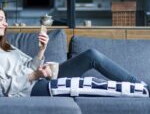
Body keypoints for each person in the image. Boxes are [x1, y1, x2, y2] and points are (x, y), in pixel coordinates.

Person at [0, 9, 148, 97]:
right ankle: (143, 89)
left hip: (41, 77)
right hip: (31, 88)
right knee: (90, 84)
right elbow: (2, 88)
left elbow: (28, 66)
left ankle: (140, 85)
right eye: (1, 19)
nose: (6, 23)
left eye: (5, 20)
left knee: (91, 55)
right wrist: (35, 75)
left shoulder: (7, 47)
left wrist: (42, 49)